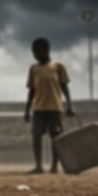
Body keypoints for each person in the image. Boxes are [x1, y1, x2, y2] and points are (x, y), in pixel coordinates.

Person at [23, 37, 75, 174]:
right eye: (33, 52)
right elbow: (31, 91)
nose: (34, 54)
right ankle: (39, 166)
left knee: (56, 137)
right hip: (38, 108)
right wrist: (27, 110)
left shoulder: (58, 67)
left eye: (36, 51)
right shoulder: (34, 69)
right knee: (36, 136)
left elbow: (65, 88)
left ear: (45, 50)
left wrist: (69, 105)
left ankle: (54, 166)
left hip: (55, 108)